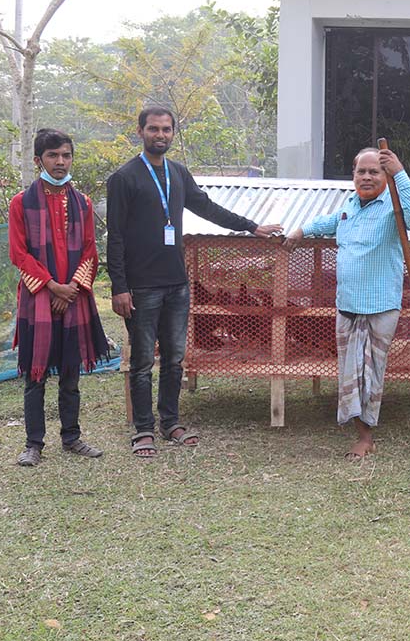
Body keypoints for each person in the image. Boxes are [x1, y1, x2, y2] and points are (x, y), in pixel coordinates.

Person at [107, 107, 280, 458]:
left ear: (173, 133)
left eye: (167, 129)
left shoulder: (178, 173)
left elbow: (208, 208)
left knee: (175, 359)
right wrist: (119, 287)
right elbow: (116, 238)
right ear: (140, 131)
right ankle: (143, 429)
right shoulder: (124, 178)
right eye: (153, 129)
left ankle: (170, 421)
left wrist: (251, 226)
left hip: (176, 284)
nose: (161, 135)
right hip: (141, 287)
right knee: (142, 361)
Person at [283, 147, 410, 459]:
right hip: (347, 305)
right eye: (361, 171)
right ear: (353, 176)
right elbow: (328, 221)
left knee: (371, 373)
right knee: (349, 372)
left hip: (379, 306)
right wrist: (300, 231)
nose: (366, 177)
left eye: (374, 171)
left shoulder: (394, 206)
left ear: (384, 176)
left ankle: (366, 436)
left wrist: (399, 173)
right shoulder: (350, 206)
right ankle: (357, 427)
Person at [9, 129, 111, 467]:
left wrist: (70, 291)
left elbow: (90, 253)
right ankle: (33, 444)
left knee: (71, 373)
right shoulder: (21, 203)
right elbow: (19, 254)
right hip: (39, 296)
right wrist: (53, 286)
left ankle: (72, 437)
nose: (60, 161)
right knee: (35, 375)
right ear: (39, 160)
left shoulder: (82, 203)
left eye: (66, 155)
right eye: (53, 155)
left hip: (74, 296)